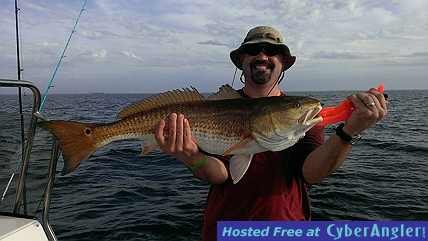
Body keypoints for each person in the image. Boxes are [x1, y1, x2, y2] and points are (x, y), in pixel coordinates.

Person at [154, 26, 387, 240]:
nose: (262, 56)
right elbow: (222, 174)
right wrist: (192, 157)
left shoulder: (302, 117)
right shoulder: (217, 110)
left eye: (273, 51)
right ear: (242, 60)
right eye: (253, 50)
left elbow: (311, 174)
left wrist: (348, 132)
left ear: (283, 62)